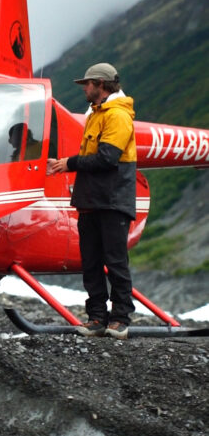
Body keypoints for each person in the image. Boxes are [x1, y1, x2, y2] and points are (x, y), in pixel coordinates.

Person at [47, 62, 136, 340]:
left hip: (112, 200)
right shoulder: (96, 114)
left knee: (115, 261)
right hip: (91, 201)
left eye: (86, 83)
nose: (84, 88)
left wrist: (68, 163)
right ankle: (97, 317)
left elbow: (108, 157)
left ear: (100, 84)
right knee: (91, 262)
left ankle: (120, 318)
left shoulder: (118, 116)